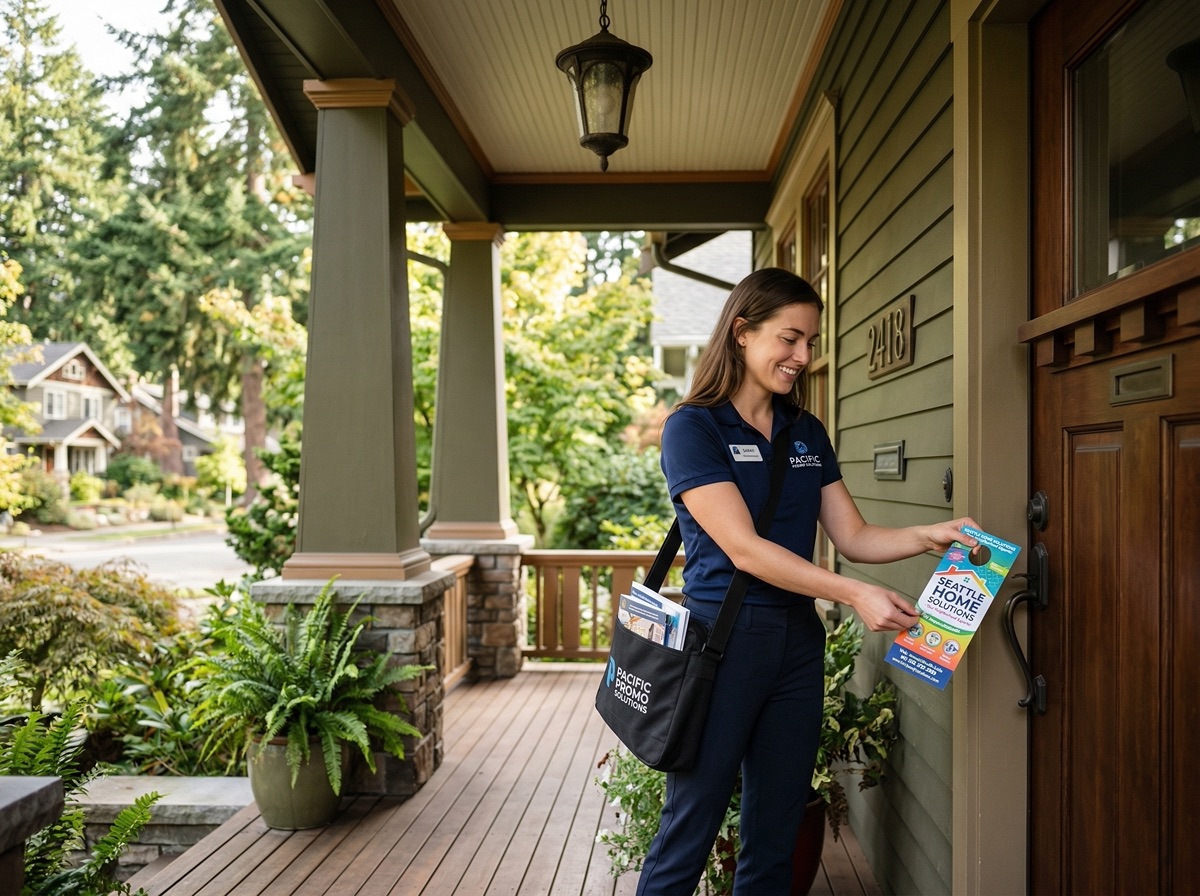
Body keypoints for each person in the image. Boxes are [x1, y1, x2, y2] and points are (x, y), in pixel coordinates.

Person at [637, 267, 978, 895]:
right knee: (691, 827)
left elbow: (852, 536)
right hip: (722, 648)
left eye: (812, 343)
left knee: (775, 836)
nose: (803, 356)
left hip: (795, 646)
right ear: (742, 332)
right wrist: (851, 592)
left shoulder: (806, 431)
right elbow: (743, 548)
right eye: (790, 339)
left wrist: (929, 535)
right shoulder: (694, 427)